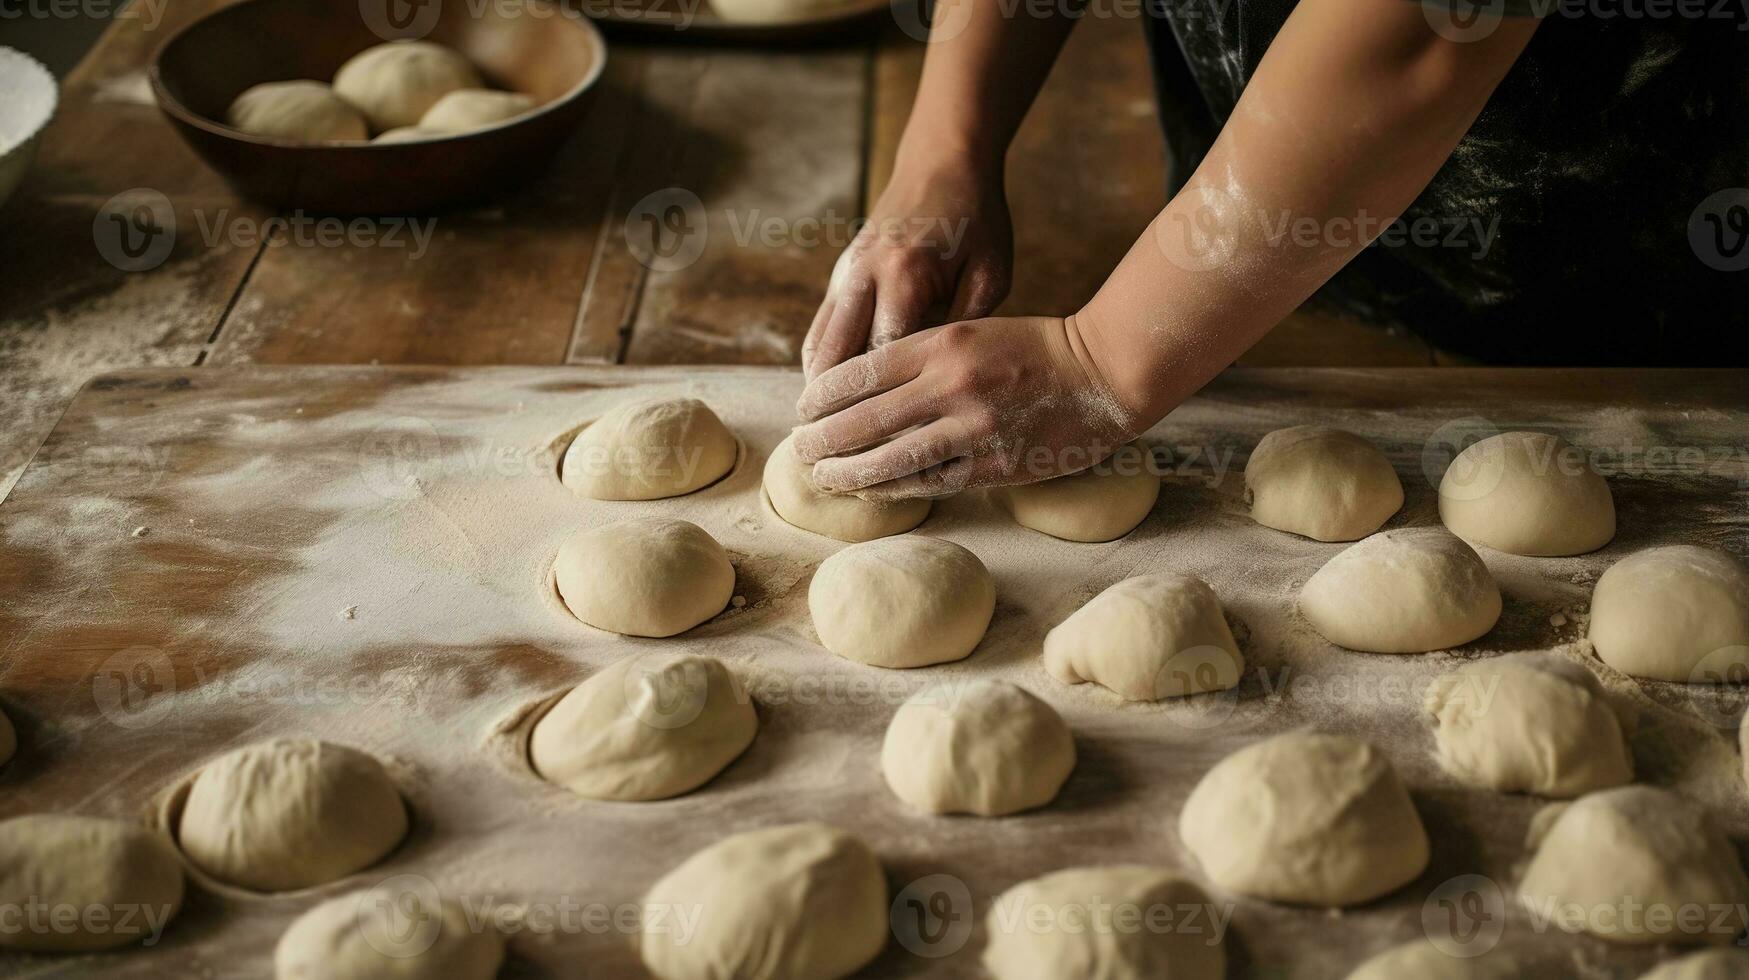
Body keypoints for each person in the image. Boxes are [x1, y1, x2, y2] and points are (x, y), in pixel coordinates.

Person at [790, 0, 1749, 500]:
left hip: (1620, 246)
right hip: (1237, 232)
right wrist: (945, 149)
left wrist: (1104, 357)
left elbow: (1428, 38)